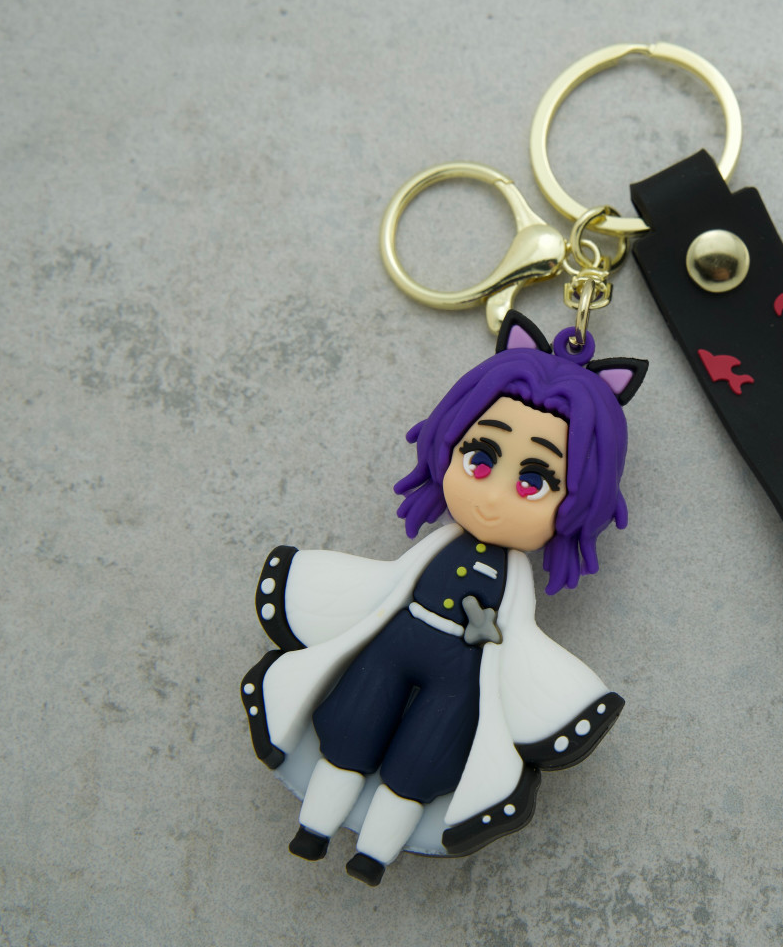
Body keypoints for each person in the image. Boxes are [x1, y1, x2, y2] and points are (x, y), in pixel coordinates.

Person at [240, 312, 646, 884]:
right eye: (480, 459)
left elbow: (522, 643)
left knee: (424, 760)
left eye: (533, 482)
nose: (494, 497)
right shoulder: (434, 549)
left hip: (460, 676)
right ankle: (314, 828)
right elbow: (381, 586)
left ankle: (375, 854)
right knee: (351, 726)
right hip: (392, 643)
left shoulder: (515, 582)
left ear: (581, 502)